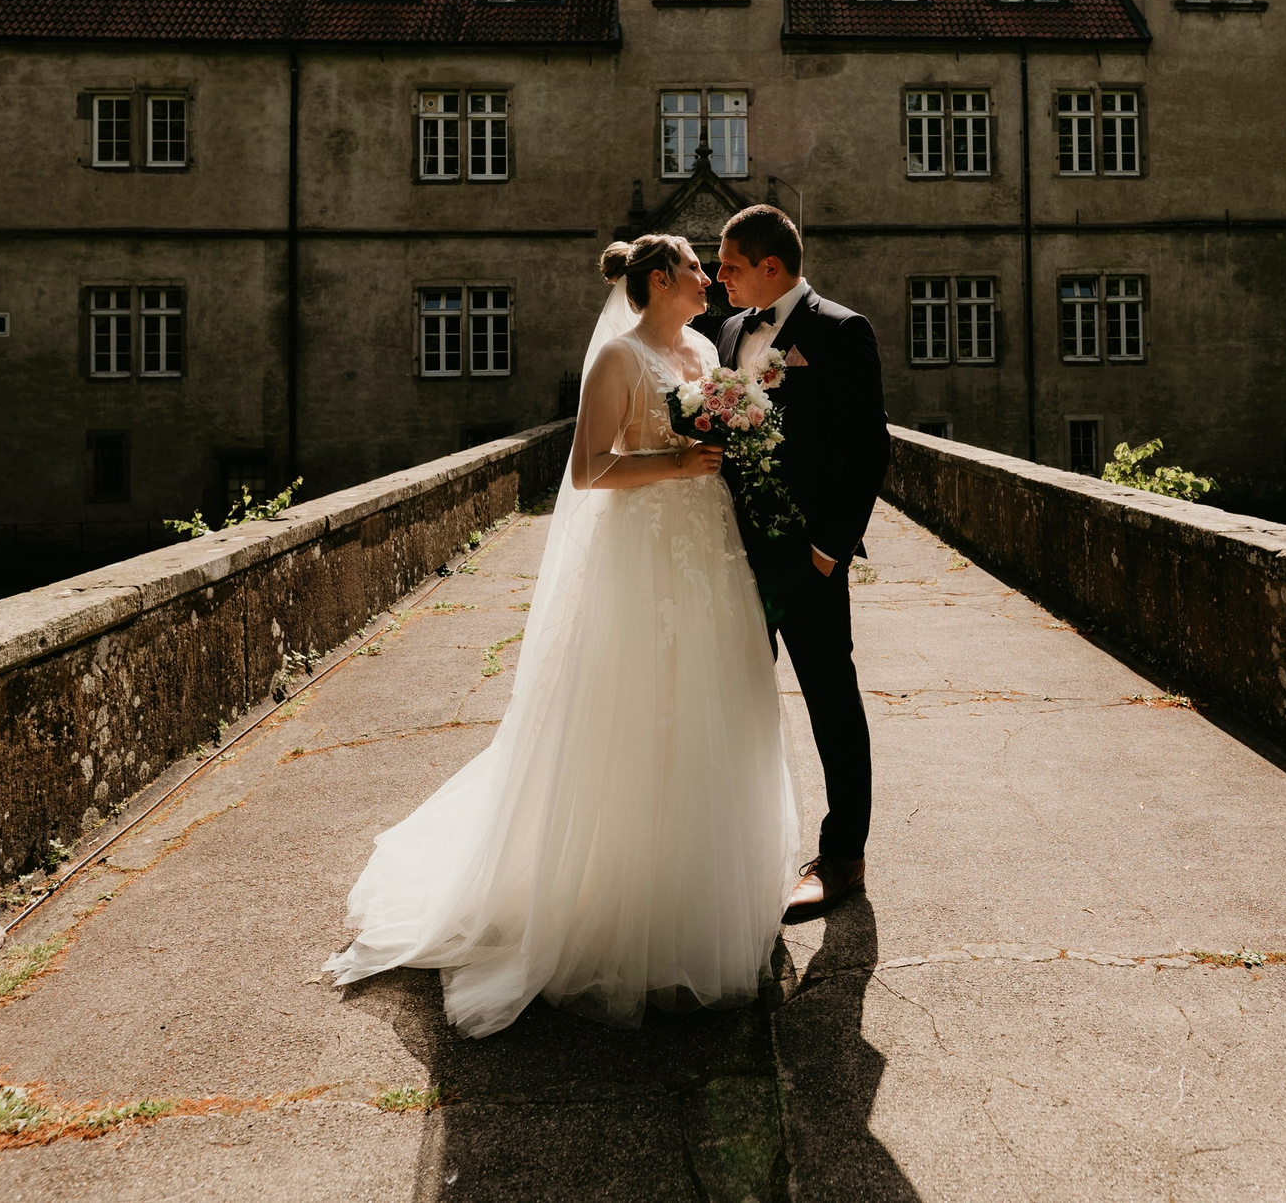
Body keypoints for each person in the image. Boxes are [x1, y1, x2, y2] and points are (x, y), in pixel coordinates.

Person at [325, 234, 797, 1036]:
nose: (709, 275)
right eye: (695, 266)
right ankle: (620, 901)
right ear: (661, 279)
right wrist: (677, 466)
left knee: (711, 707)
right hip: (645, 553)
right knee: (636, 713)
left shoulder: (700, 349)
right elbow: (588, 470)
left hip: (708, 550)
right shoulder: (619, 357)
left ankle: (695, 887)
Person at [713, 204, 891, 919]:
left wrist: (827, 551)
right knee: (733, 700)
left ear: (771, 266)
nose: (718, 278)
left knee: (830, 704)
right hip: (731, 557)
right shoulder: (729, 331)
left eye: (729, 266)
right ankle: (736, 849)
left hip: (807, 560)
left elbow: (868, 449)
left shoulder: (841, 330)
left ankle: (842, 857)